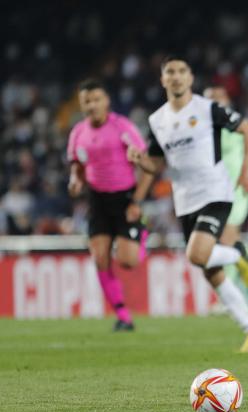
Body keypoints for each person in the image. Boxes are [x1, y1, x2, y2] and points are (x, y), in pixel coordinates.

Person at [127, 56, 248, 353]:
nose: (176, 76)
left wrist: (246, 169)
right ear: (163, 79)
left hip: (216, 192)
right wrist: (141, 160)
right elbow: (156, 164)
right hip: (184, 201)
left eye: (181, 71)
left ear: (190, 78)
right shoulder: (157, 121)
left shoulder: (208, 109)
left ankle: (237, 252)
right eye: (170, 72)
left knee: (197, 255)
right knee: (208, 269)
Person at [67, 79, 152, 331]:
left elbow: (148, 167)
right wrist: (75, 180)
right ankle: (123, 315)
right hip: (97, 199)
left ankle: (143, 233)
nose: (91, 105)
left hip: (124, 198)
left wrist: (137, 200)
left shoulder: (122, 127)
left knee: (128, 260)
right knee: (100, 257)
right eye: (86, 102)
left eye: (96, 100)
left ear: (107, 102)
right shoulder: (78, 133)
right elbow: (77, 165)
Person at [203, 86, 248, 299]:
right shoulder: (204, 128)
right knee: (226, 240)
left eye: (219, 97)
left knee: (226, 239)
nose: (215, 101)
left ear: (227, 100)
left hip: (237, 186)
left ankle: (228, 296)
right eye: (210, 98)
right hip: (214, 190)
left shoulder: (235, 124)